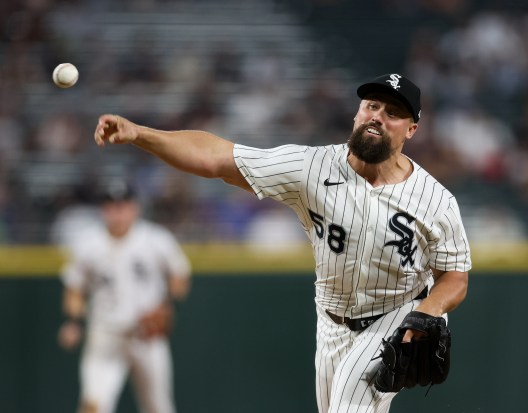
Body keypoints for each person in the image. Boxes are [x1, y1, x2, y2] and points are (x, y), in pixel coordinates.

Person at [93, 73, 471, 413]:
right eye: (371, 105)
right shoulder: (312, 168)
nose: (378, 115)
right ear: (357, 113)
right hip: (332, 322)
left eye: (393, 112)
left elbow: (455, 275)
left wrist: (428, 311)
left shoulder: (435, 200)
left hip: (395, 316)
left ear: (412, 130)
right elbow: (216, 158)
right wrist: (140, 133)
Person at [57, 179, 192, 413]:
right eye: (112, 205)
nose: (118, 211)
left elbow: (180, 276)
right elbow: (75, 289)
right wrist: (74, 322)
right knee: (93, 405)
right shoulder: (88, 243)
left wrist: (168, 306)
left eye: (123, 204)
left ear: (135, 207)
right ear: (103, 209)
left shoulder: (156, 238)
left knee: (158, 407)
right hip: (105, 335)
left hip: (146, 335)